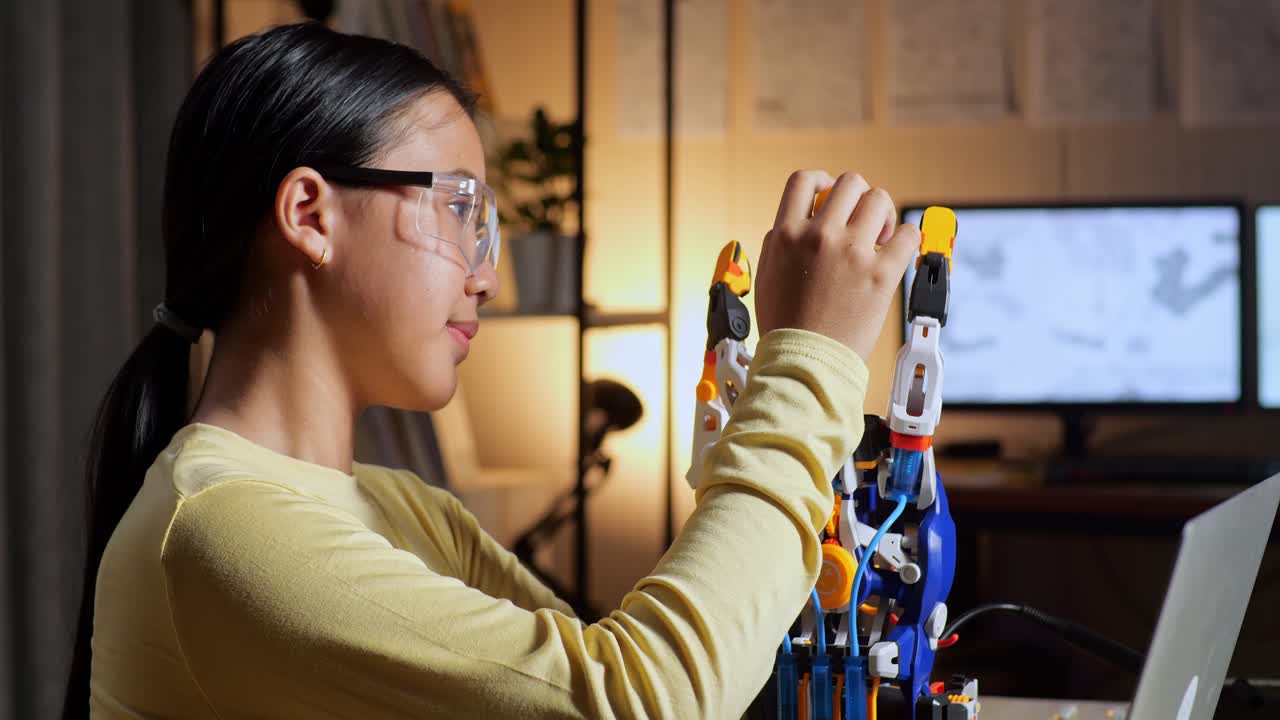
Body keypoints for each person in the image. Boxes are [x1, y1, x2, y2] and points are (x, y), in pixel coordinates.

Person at [66, 22, 919, 719]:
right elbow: (645, 701)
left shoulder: (410, 515)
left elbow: (620, 674)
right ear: (311, 215)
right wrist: (810, 359)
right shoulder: (222, 528)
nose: (488, 277)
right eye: (459, 208)